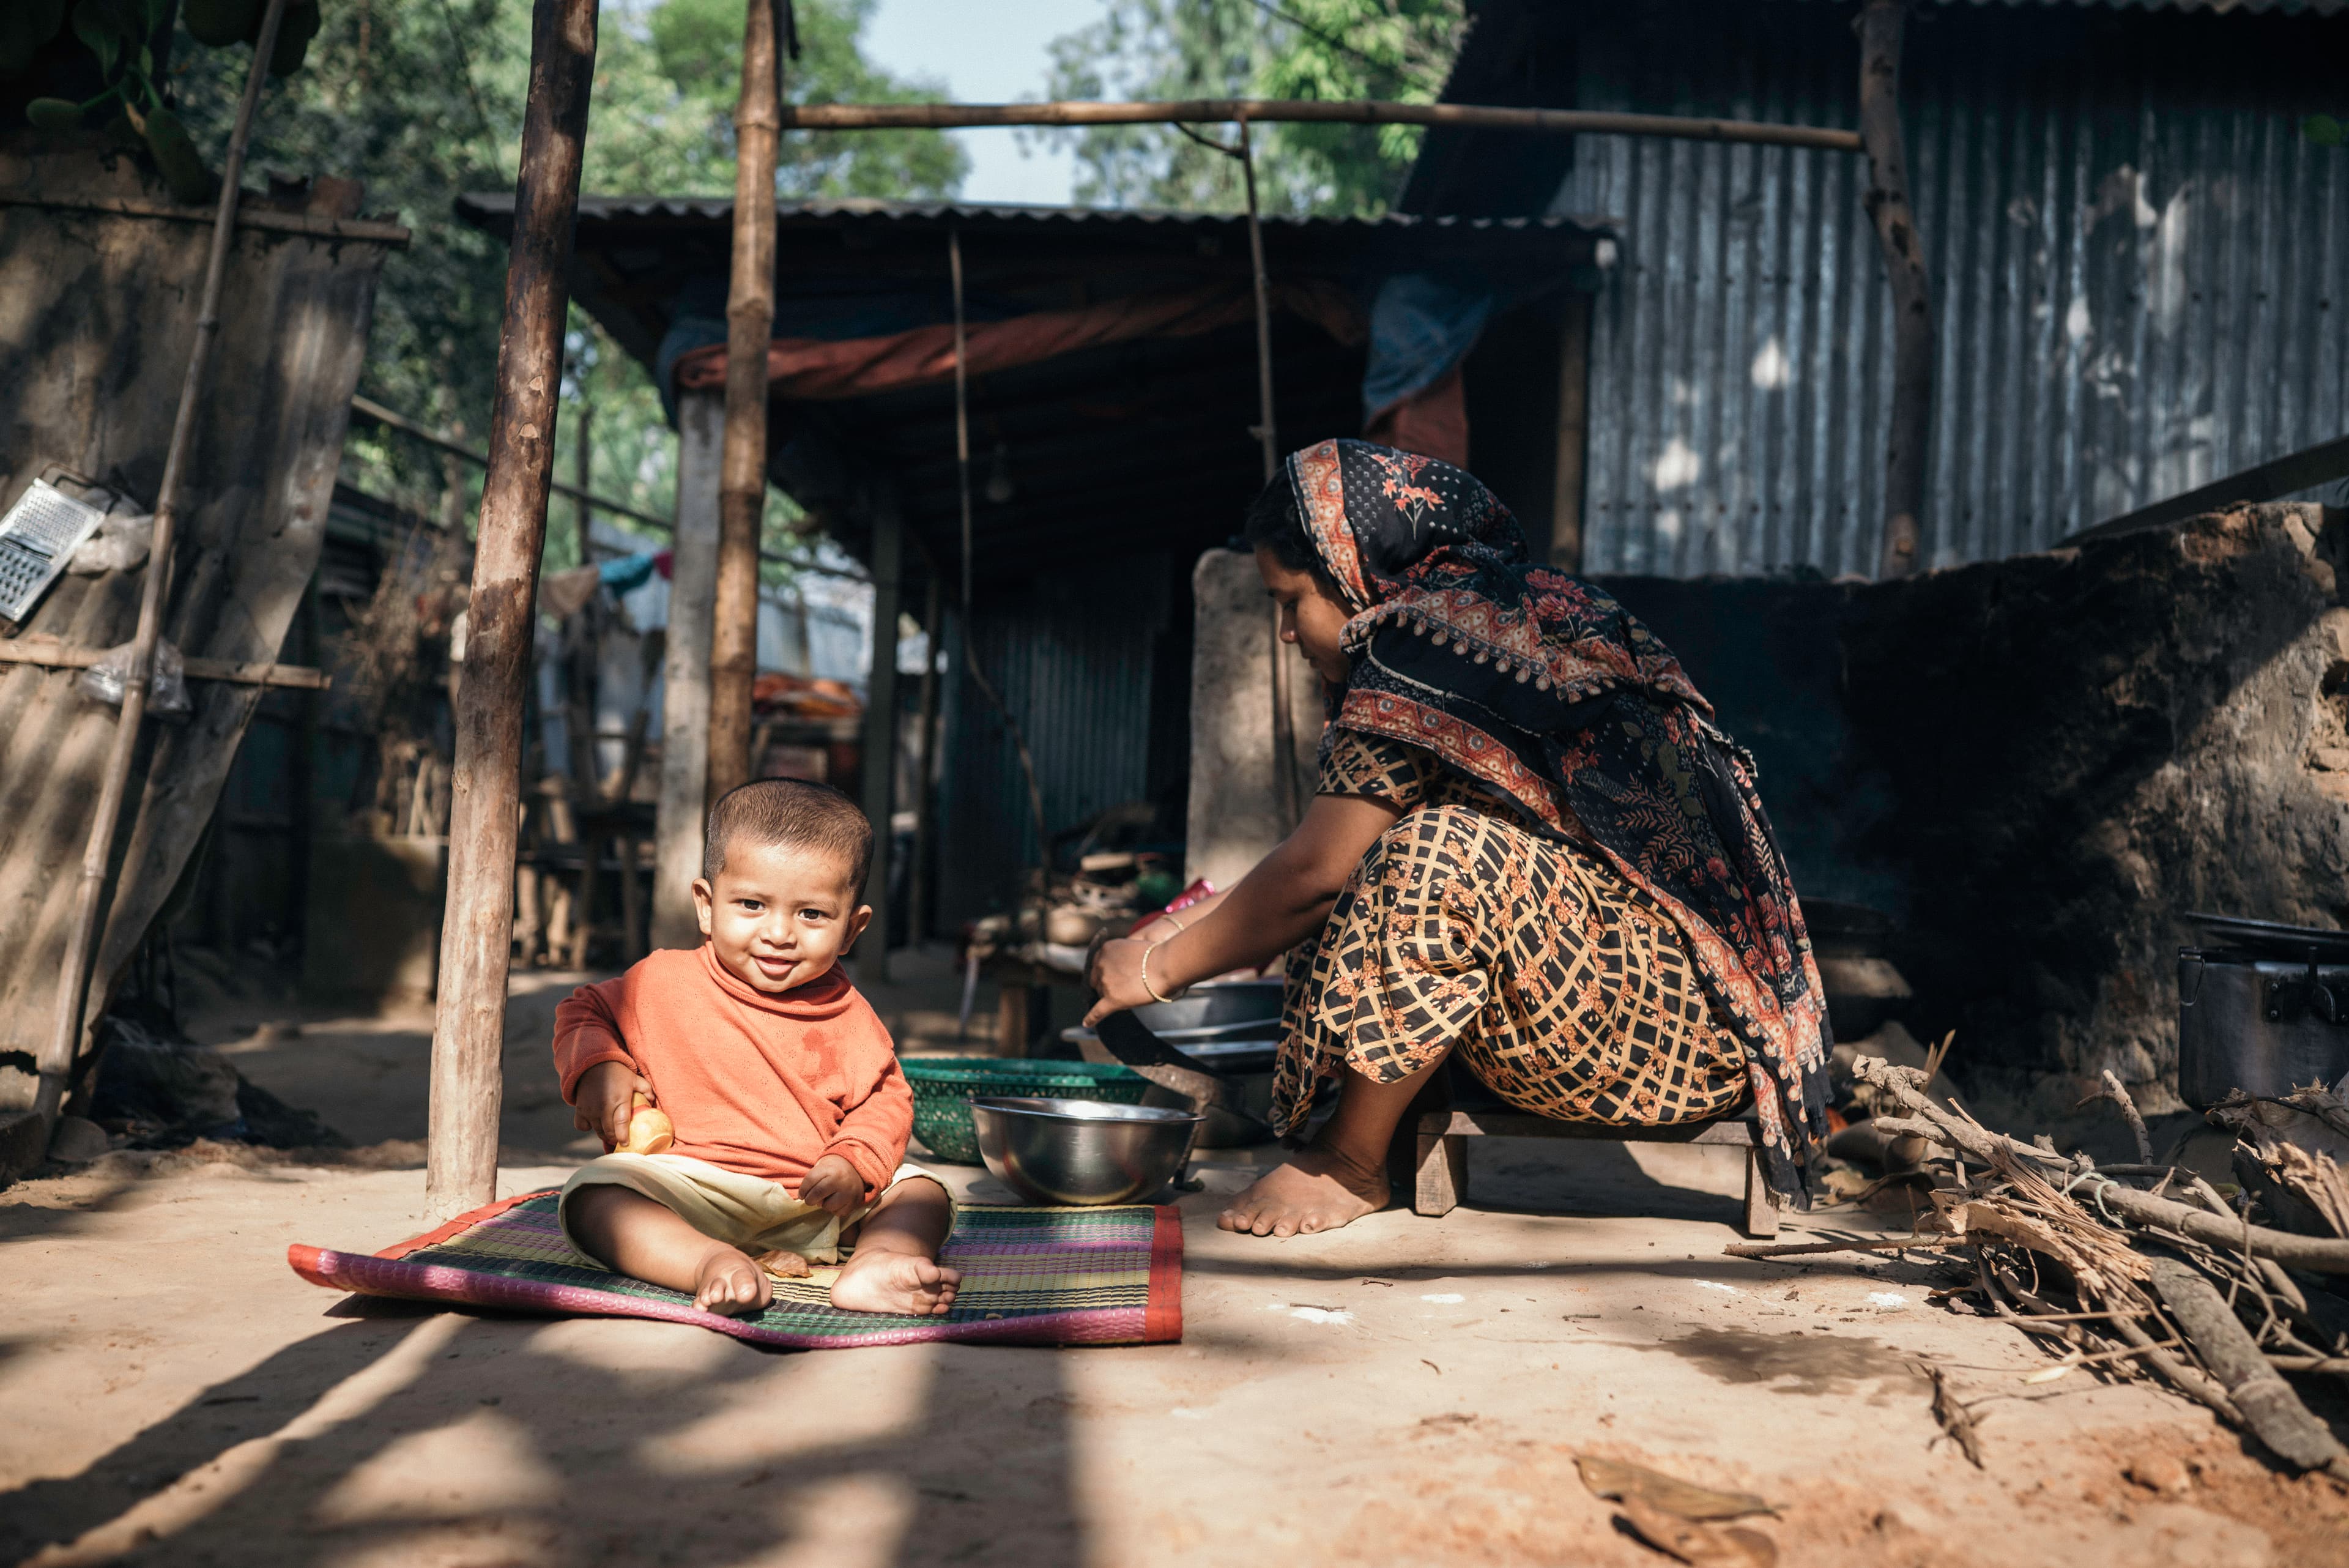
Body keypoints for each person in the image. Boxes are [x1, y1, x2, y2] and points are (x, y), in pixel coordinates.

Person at [1086, 439, 1831, 1238]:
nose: (1286, 634)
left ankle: (1352, 1161)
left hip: (1669, 1041)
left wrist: (1160, 970)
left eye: (1290, 600)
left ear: (1350, 571)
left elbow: (1316, 873)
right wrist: (1167, 930)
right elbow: (1324, 856)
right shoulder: (1492, 618)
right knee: (1396, 851)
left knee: (1435, 853)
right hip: (1664, 1013)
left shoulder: (1422, 641)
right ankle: (1350, 1130)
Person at [552, 778, 960, 1317]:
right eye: (751, 904)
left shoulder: (852, 1015)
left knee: (923, 1190)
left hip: (813, 1201)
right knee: (593, 1196)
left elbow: (885, 1099)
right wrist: (600, 1067)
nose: (779, 933)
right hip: (688, 1188)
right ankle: (707, 1263)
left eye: (811, 914)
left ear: (851, 930)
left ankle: (877, 1262)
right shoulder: (661, 980)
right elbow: (584, 1011)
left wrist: (853, 1162)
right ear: (706, 904)